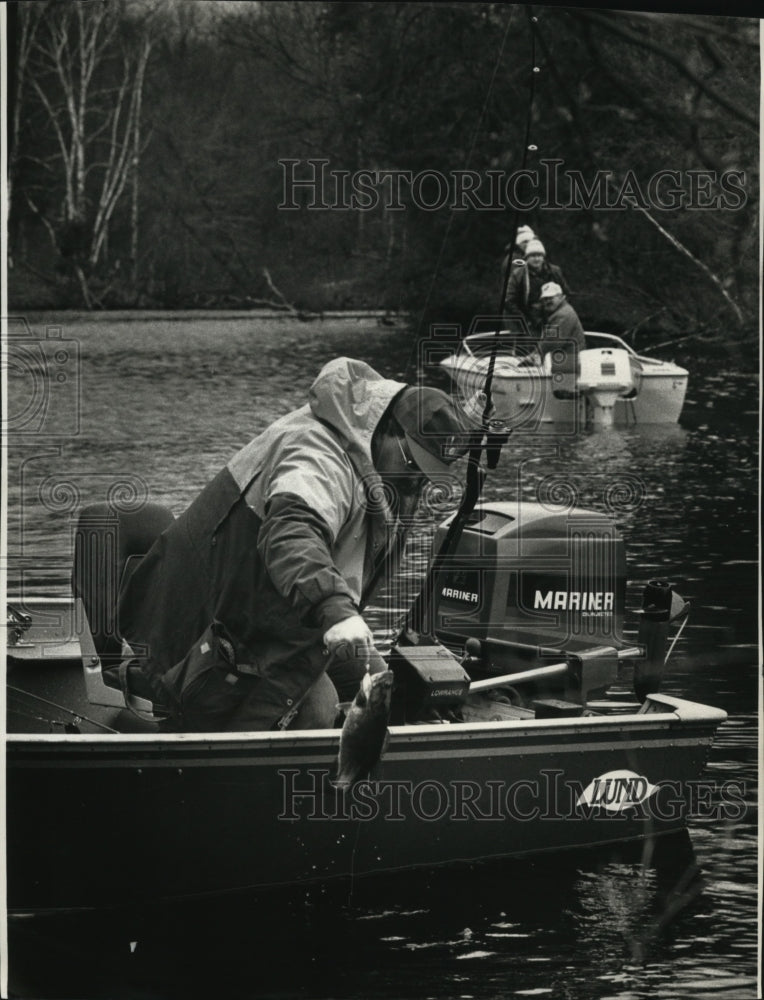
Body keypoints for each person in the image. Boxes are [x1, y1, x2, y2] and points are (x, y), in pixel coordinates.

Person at [117, 357, 470, 733]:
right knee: (317, 711)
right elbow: (291, 535)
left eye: (427, 476)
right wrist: (336, 610)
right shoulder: (315, 454)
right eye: (413, 466)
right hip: (216, 620)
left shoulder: (385, 467)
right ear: (389, 433)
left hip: (288, 615)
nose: (417, 482)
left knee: (385, 692)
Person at [504, 239, 571, 333]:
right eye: (533, 256)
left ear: (543, 257)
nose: (536, 259)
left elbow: (566, 293)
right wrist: (525, 320)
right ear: (526, 258)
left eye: (539, 255)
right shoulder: (518, 274)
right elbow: (508, 301)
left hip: (552, 315)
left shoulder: (554, 271)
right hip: (527, 318)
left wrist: (559, 314)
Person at [536, 281, 585, 371]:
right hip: (565, 363)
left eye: (551, 298)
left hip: (568, 365)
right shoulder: (558, 312)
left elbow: (552, 341)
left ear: (561, 297)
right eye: (545, 299)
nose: (547, 301)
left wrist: (535, 355)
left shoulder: (563, 314)